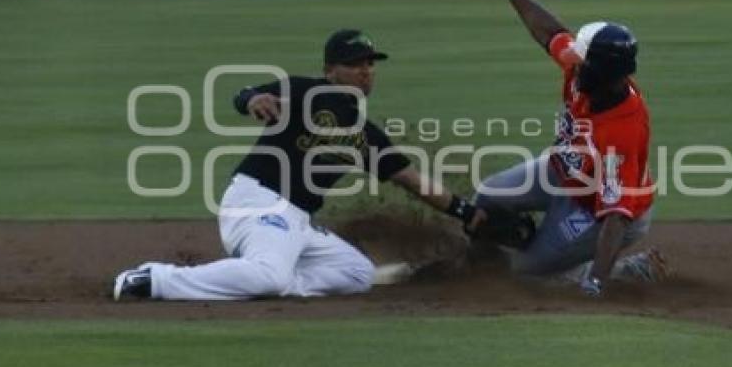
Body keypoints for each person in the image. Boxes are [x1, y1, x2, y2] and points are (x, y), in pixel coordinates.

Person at [114, 29, 484, 300]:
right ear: (330, 69)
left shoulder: (365, 135)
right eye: (354, 63)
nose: (365, 71)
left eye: (370, 64)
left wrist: (467, 212)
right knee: (268, 278)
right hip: (259, 203)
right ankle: (154, 279)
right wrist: (253, 100)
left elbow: (411, 180)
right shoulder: (307, 92)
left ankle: (274, 278)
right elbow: (247, 94)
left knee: (355, 273)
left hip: (297, 221)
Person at [478, 0, 667, 296]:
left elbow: (615, 217)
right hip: (565, 169)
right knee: (487, 196)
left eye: (582, 59)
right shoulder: (585, 71)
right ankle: (538, 252)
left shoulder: (623, 131)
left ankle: (624, 269)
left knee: (523, 272)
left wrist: (597, 282)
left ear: (606, 73)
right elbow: (550, 32)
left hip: (598, 212)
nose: (572, 60)